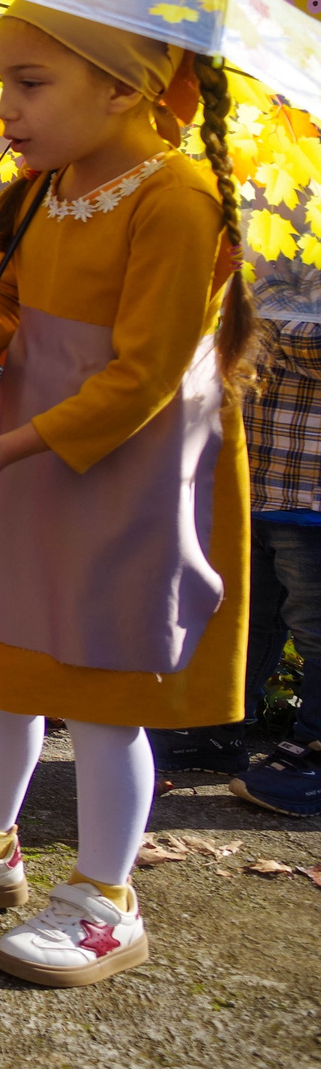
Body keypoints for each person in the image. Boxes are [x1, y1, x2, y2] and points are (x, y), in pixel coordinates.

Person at [0, 2, 254, 988]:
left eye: (28, 84)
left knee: (104, 685)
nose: (4, 109)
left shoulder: (177, 197)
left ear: (120, 85)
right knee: (7, 655)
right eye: (3, 83)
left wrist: (9, 449)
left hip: (126, 469)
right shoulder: (46, 188)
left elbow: (145, 373)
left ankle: (105, 896)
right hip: (33, 454)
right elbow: (23, 303)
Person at [189, 319, 321, 812]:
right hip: (260, 485)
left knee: (315, 632)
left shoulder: (279, 294)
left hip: (311, 493)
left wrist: (249, 321)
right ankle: (218, 730)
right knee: (249, 617)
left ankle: (313, 754)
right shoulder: (283, 252)